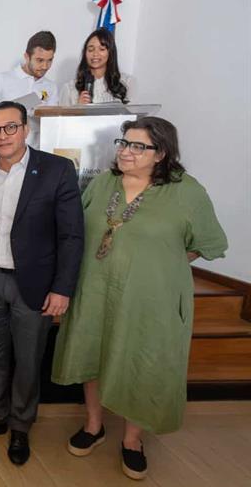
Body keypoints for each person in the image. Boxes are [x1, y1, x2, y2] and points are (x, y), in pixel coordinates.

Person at [52, 117, 227, 480]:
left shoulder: (187, 191)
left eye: (137, 146)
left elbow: (206, 244)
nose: (125, 151)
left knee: (142, 363)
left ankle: (132, 440)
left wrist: (159, 262)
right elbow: (76, 230)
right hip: (96, 288)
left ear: (161, 153)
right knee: (92, 353)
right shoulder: (103, 183)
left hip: (151, 298)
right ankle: (94, 425)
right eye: (123, 143)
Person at [0, 101, 83, 466]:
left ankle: (21, 426)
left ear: (26, 129)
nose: (2, 136)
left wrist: (63, 288)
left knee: (28, 360)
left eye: (10, 127)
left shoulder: (57, 170)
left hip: (36, 285)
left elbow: (71, 236)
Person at [0, 31, 59, 153]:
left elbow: (52, 125)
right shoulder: (3, 79)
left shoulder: (51, 87)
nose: (45, 66)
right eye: (39, 60)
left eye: (49, 60)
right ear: (27, 56)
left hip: (34, 155)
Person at [61, 28, 133, 106]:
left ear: (110, 53)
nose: (95, 54)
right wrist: (78, 108)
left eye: (101, 49)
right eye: (91, 50)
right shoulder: (69, 88)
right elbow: (62, 117)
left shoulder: (127, 83)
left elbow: (133, 115)